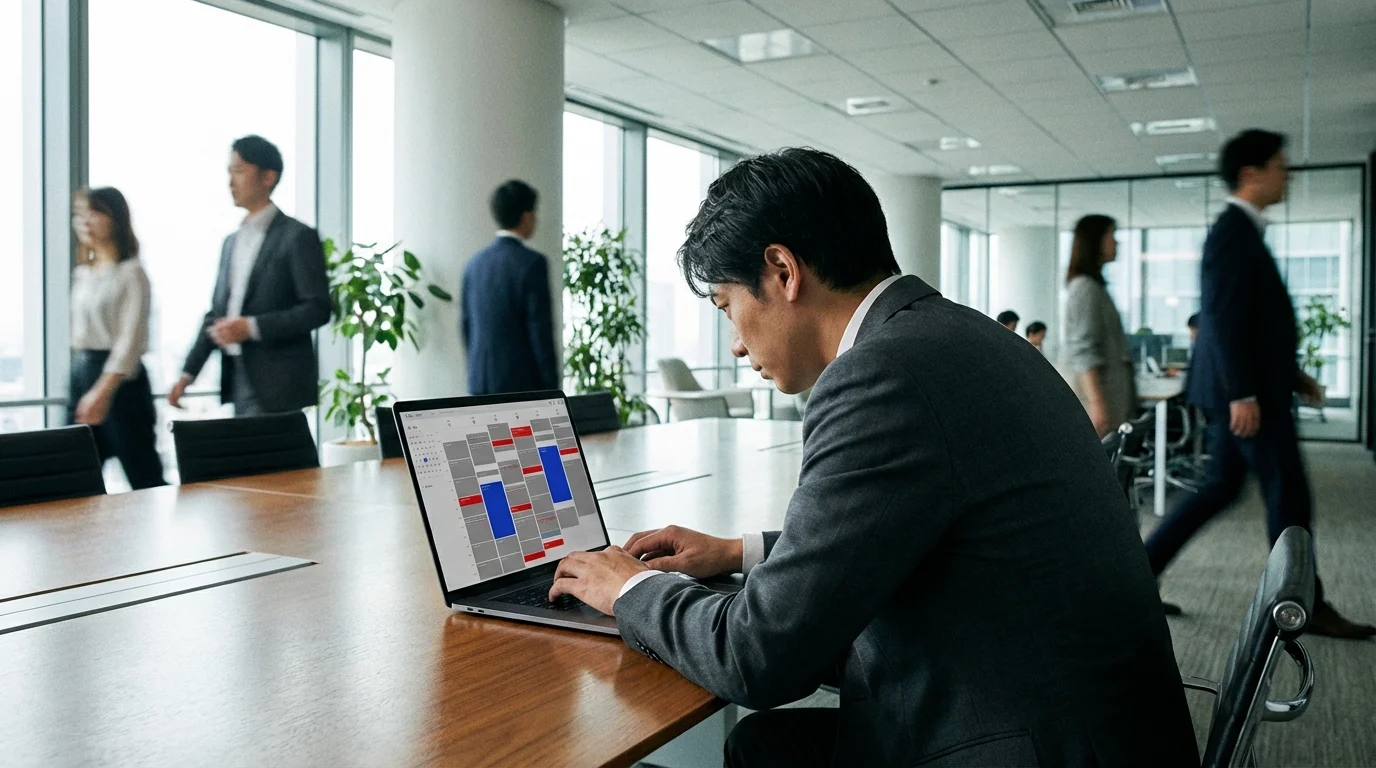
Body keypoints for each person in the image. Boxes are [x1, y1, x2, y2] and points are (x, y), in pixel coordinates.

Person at [546, 148, 1198, 766]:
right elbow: (923, 531)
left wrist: (630, 587)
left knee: (764, 737)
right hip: (1094, 721)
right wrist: (740, 553)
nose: (737, 347)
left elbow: (759, 660)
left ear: (782, 271)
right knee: (765, 748)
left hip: (1032, 742)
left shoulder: (881, 376)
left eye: (726, 306)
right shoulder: (960, 336)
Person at [1144, 129, 1373, 639]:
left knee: (1220, 489)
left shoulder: (1243, 232)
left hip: (1250, 392)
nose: (1286, 173)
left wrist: (1290, 374)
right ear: (1252, 174)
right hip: (1247, 400)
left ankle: (1137, 576)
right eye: (1279, 164)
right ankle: (1303, 603)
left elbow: (1251, 321)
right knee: (1288, 495)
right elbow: (1222, 320)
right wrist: (1244, 393)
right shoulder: (1232, 232)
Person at [170, 136, 328, 416]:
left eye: (239, 171)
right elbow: (217, 314)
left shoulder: (298, 237)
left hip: (279, 381)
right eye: (229, 172)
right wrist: (188, 373)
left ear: (268, 177)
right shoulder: (231, 242)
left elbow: (317, 309)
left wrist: (252, 327)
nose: (231, 181)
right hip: (236, 376)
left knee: (276, 460)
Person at [68, 187, 166, 489]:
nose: (85, 221)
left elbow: (129, 343)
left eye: (94, 212)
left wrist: (101, 392)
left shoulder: (132, 273)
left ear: (116, 219)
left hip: (121, 384)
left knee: (143, 475)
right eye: (79, 214)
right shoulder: (84, 275)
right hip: (83, 372)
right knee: (75, 475)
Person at [460, 180, 558, 395]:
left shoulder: (474, 265)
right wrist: (552, 389)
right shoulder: (532, 263)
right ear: (527, 217)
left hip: (480, 382)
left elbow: (467, 327)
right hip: (521, 387)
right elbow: (540, 332)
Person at [1063, 214, 1136, 438]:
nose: (1116, 242)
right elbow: (1085, 351)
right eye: (1111, 235)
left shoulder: (1094, 287)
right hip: (1097, 405)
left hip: (1107, 401)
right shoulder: (1085, 288)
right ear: (1095, 241)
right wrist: (1098, 406)